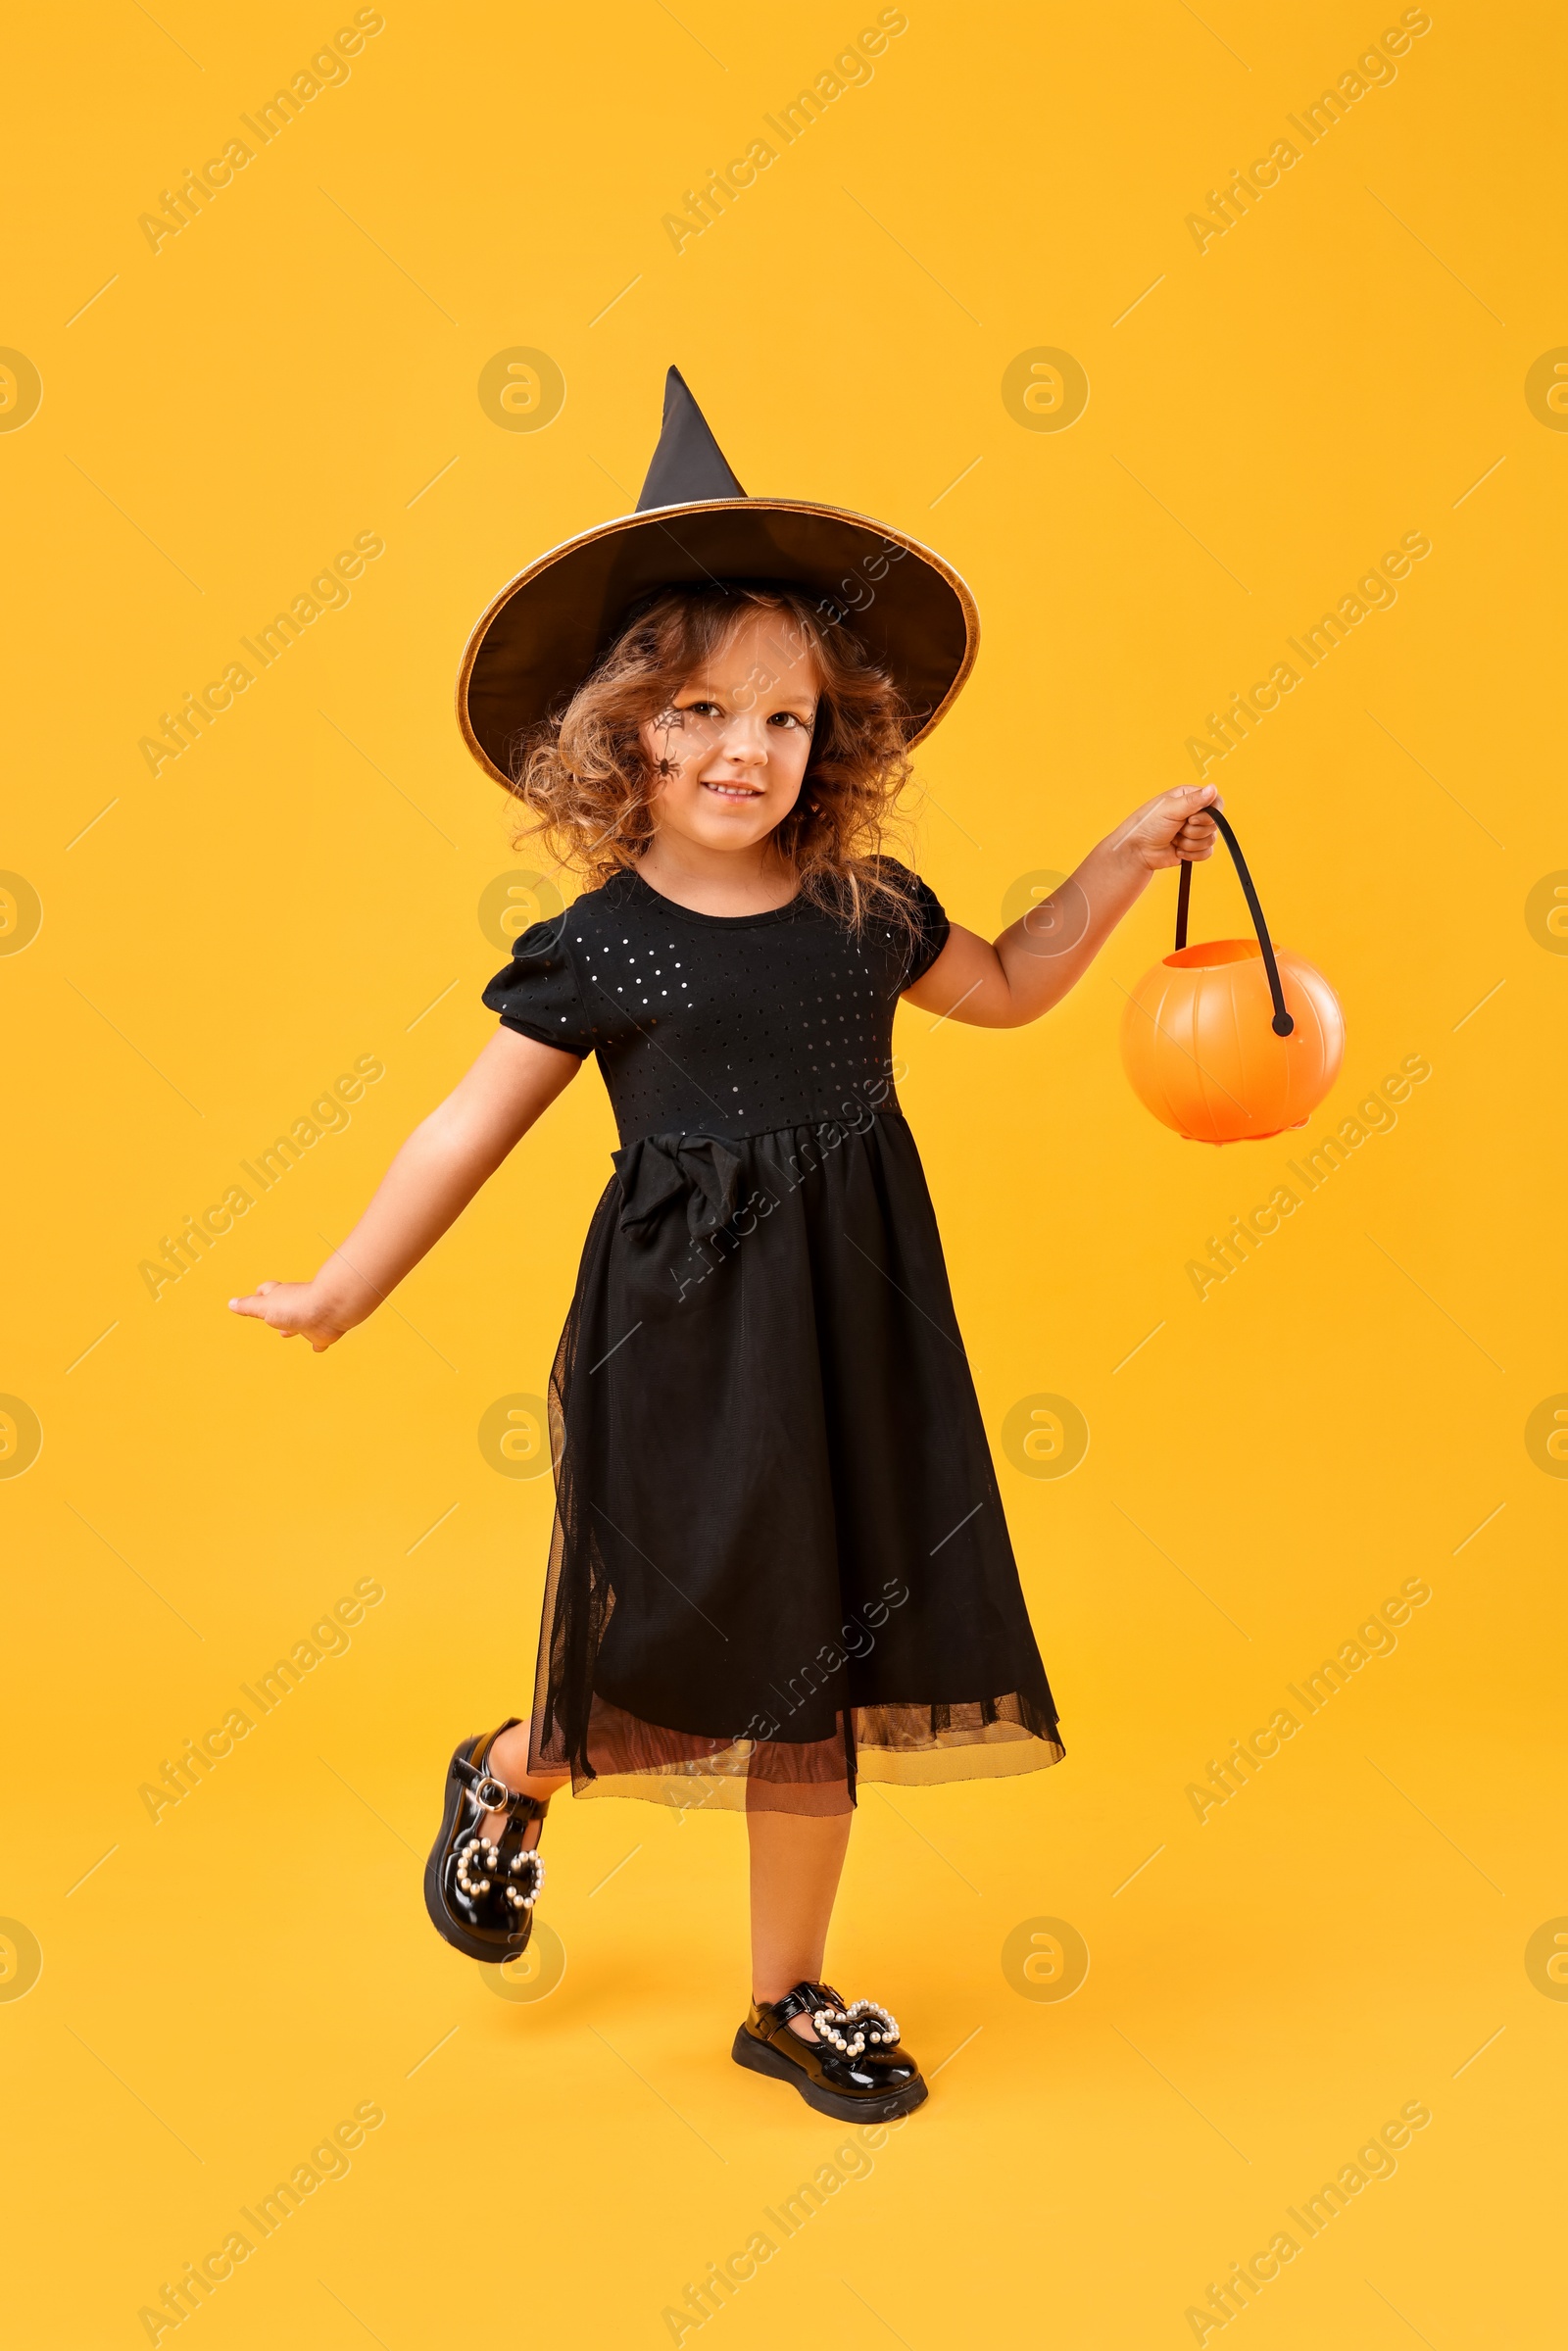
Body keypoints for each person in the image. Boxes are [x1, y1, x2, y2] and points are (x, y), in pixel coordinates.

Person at [230, 368, 1218, 2124]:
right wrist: (342, 1284)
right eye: (698, 710)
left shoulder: (865, 914)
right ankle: (512, 1771)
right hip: (685, 1340)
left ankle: (786, 1995)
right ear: (629, 736)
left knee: (822, 1664)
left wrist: (1122, 865)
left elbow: (1009, 983)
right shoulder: (602, 946)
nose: (742, 750)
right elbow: (464, 1125)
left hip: (858, 1329)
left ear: (828, 738)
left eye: (783, 716)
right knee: (679, 1667)